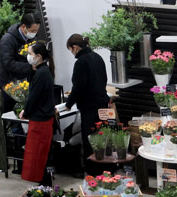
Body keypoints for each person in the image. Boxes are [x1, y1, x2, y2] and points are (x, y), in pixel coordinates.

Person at [63, 34, 110, 166]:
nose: (72, 53)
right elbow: (104, 79)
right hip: (103, 104)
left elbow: (78, 87)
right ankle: (104, 167)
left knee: (90, 139)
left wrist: (68, 104)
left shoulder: (81, 62)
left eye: (70, 49)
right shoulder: (98, 57)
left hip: (89, 107)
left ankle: (92, 170)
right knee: (101, 136)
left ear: (76, 47)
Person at [20, 42, 55, 185]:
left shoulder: (41, 74)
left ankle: (44, 186)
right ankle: (44, 185)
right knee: (41, 156)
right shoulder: (44, 71)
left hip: (40, 121)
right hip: (44, 119)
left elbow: (33, 97)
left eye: (30, 54)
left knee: (38, 156)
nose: (28, 57)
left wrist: (26, 111)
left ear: (39, 56)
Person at [0, 13, 41, 112]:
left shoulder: (31, 39)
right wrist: (30, 67)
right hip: (6, 85)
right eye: (33, 31)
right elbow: (8, 63)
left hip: (21, 83)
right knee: (8, 114)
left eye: (36, 31)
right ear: (23, 27)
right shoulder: (8, 40)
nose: (35, 33)